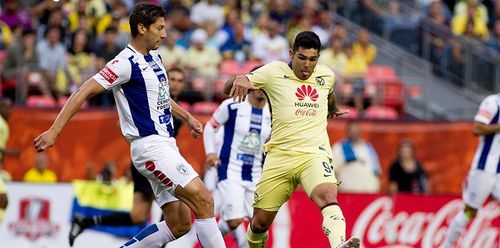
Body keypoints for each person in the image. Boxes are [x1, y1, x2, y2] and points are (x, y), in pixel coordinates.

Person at [34, 3, 225, 248]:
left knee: (179, 224)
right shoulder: (124, 63)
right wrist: (54, 130)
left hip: (165, 145)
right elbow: (83, 91)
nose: (164, 34)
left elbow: (162, 97)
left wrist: (187, 116)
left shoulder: (155, 56)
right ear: (141, 28)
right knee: (204, 201)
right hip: (151, 147)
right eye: (159, 28)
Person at [225, 31, 359, 248]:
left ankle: (339, 244)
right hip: (279, 157)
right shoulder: (273, 71)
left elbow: (329, 92)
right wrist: (240, 78)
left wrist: (332, 107)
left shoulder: (326, 75)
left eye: (313, 60)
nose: (307, 65)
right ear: (291, 54)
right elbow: (229, 88)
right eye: (302, 58)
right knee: (259, 223)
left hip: (313, 154)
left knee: (327, 194)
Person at [68, 66, 189, 246]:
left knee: (138, 215)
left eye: (180, 81)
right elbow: (121, 124)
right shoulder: (154, 101)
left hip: (158, 160)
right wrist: (138, 149)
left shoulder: (177, 111)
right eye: (172, 79)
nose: (176, 84)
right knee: (175, 213)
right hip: (152, 162)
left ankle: (85, 221)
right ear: (165, 80)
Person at [204, 90, 271, 247]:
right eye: (258, 85)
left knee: (259, 225)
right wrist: (211, 152)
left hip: (257, 174)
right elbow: (210, 127)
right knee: (234, 221)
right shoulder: (232, 105)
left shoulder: (273, 111)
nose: (261, 89)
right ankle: (208, 244)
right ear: (250, 87)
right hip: (230, 170)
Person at [442, 93, 500, 248]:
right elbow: (477, 128)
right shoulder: (493, 102)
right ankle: (446, 245)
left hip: (499, 171)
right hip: (484, 168)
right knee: (470, 210)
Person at [331, 121, 381, 193]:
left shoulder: (368, 147)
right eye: (351, 132)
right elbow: (333, 171)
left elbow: (376, 171)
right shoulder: (339, 147)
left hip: (369, 193)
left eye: (356, 131)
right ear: (347, 132)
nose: (354, 134)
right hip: (347, 193)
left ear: (361, 132)